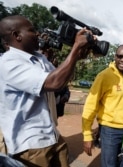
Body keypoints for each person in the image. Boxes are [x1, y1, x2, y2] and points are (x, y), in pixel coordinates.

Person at [0, 15, 91, 166]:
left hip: (51, 136)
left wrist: (78, 56)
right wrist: (75, 48)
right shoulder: (7, 63)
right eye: (31, 30)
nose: (37, 34)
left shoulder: (38, 58)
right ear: (17, 35)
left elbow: (62, 81)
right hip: (30, 145)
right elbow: (53, 82)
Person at [82, 44, 123, 167]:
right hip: (110, 130)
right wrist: (87, 135)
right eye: (120, 56)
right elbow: (91, 105)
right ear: (115, 57)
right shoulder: (104, 76)